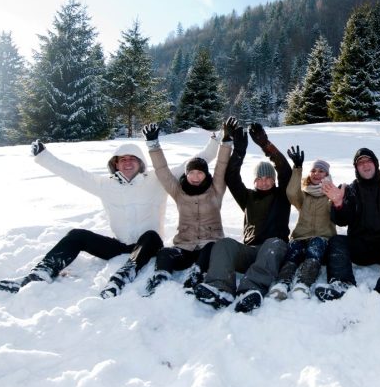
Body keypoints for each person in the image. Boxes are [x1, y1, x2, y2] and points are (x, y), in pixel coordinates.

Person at [0, 134, 218, 297]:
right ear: (115, 164)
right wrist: (44, 157)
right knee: (77, 235)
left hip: (150, 247)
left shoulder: (157, 180)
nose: (127, 162)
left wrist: (216, 140)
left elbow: (194, 164)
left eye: (132, 158)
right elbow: (74, 174)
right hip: (120, 246)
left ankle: (125, 274)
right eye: (122, 159)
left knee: (150, 235)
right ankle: (39, 274)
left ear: (141, 163)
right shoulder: (105, 185)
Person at [192, 122, 291, 313]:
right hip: (250, 252)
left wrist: (265, 145)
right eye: (259, 179)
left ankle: (250, 289)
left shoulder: (282, 195)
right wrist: (239, 151)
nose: (263, 182)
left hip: (273, 251)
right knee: (224, 243)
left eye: (268, 178)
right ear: (254, 181)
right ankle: (220, 288)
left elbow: (285, 170)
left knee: (274, 244)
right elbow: (231, 177)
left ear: (273, 180)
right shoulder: (248, 198)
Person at [140, 119, 233, 296]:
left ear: (206, 175)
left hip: (209, 245)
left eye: (200, 172)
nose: (196, 177)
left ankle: (196, 275)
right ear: (187, 174)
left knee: (211, 248)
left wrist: (226, 141)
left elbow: (222, 166)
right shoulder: (178, 191)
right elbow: (162, 171)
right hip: (185, 246)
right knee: (166, 253)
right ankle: (161, 278)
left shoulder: (216, 189)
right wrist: (153, 145)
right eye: (192, 173)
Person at [317, 148, 380, 302]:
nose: (365, 165)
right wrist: (338, 203)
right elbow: (342, 220)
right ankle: (342, 284)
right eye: (360, 163)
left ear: (375, 164)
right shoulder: (351, 189)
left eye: (368, 161)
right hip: (360, 245)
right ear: (356, 168)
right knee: (336, 241)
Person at [267, 149, 336, 300]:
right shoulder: (304, 195)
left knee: (314, 249)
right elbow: (292, 193)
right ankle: (282, 283)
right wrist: (297, 168)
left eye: (321, 171)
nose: (316, 174)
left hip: (321, 237)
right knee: (292, 254)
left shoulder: (331, 194)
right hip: (300, 236)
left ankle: (303, 283)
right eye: (314, 171)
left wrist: (336, 198)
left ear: (327, 175)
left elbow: (339, 209)